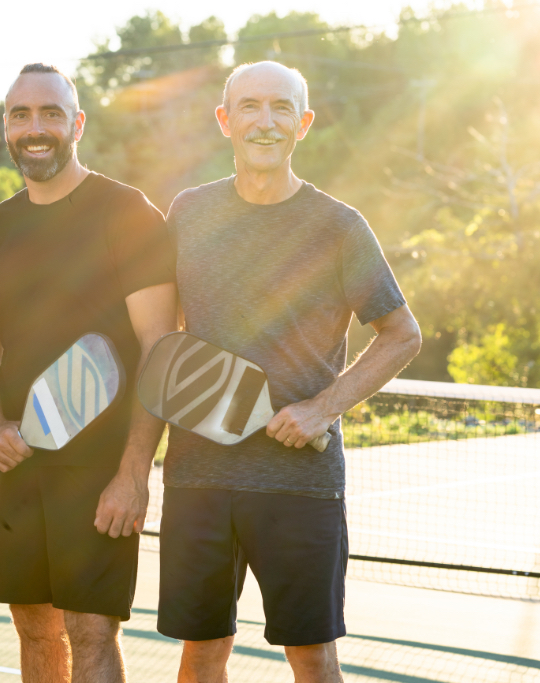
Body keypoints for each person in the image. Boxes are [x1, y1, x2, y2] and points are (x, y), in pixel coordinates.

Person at [159, 61, 423, 683]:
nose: (265, 121)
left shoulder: (338, 225)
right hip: (198, 476)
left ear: (303, 124)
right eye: (249, 106)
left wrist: (322, 408)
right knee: (201, 654)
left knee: (311, 657)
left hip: (300, 483)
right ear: (225, 120)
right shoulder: (189, 213)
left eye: (281, 108)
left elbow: (401, 333)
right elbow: (159, 337)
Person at [0, 63, 177, 683]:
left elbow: (159, 349)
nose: (36, 128)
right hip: (21, 465)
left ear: (77, 123)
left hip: (100, 469)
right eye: (21, 115)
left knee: (90, 632)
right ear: (6, 127)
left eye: (51, 114)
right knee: (34, 629)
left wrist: (133, 474)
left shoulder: (128, 213)